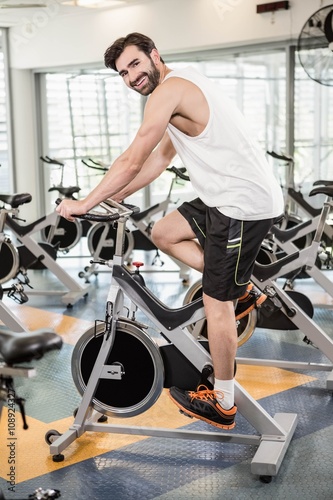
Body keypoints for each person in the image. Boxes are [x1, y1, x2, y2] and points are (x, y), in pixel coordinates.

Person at [56, 32, 284, 430]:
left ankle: (223, 401)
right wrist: (114, 197)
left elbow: (133, 156)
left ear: (154, 55)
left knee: (216, 301)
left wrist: (85, 202)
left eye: (135, 65)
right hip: (222, 198)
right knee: (164, 232)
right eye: (123, 73)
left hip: (241, 205)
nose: (131, 77)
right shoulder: (180, 83)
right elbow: (158, 159)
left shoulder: (169, 91)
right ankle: (241, 289)